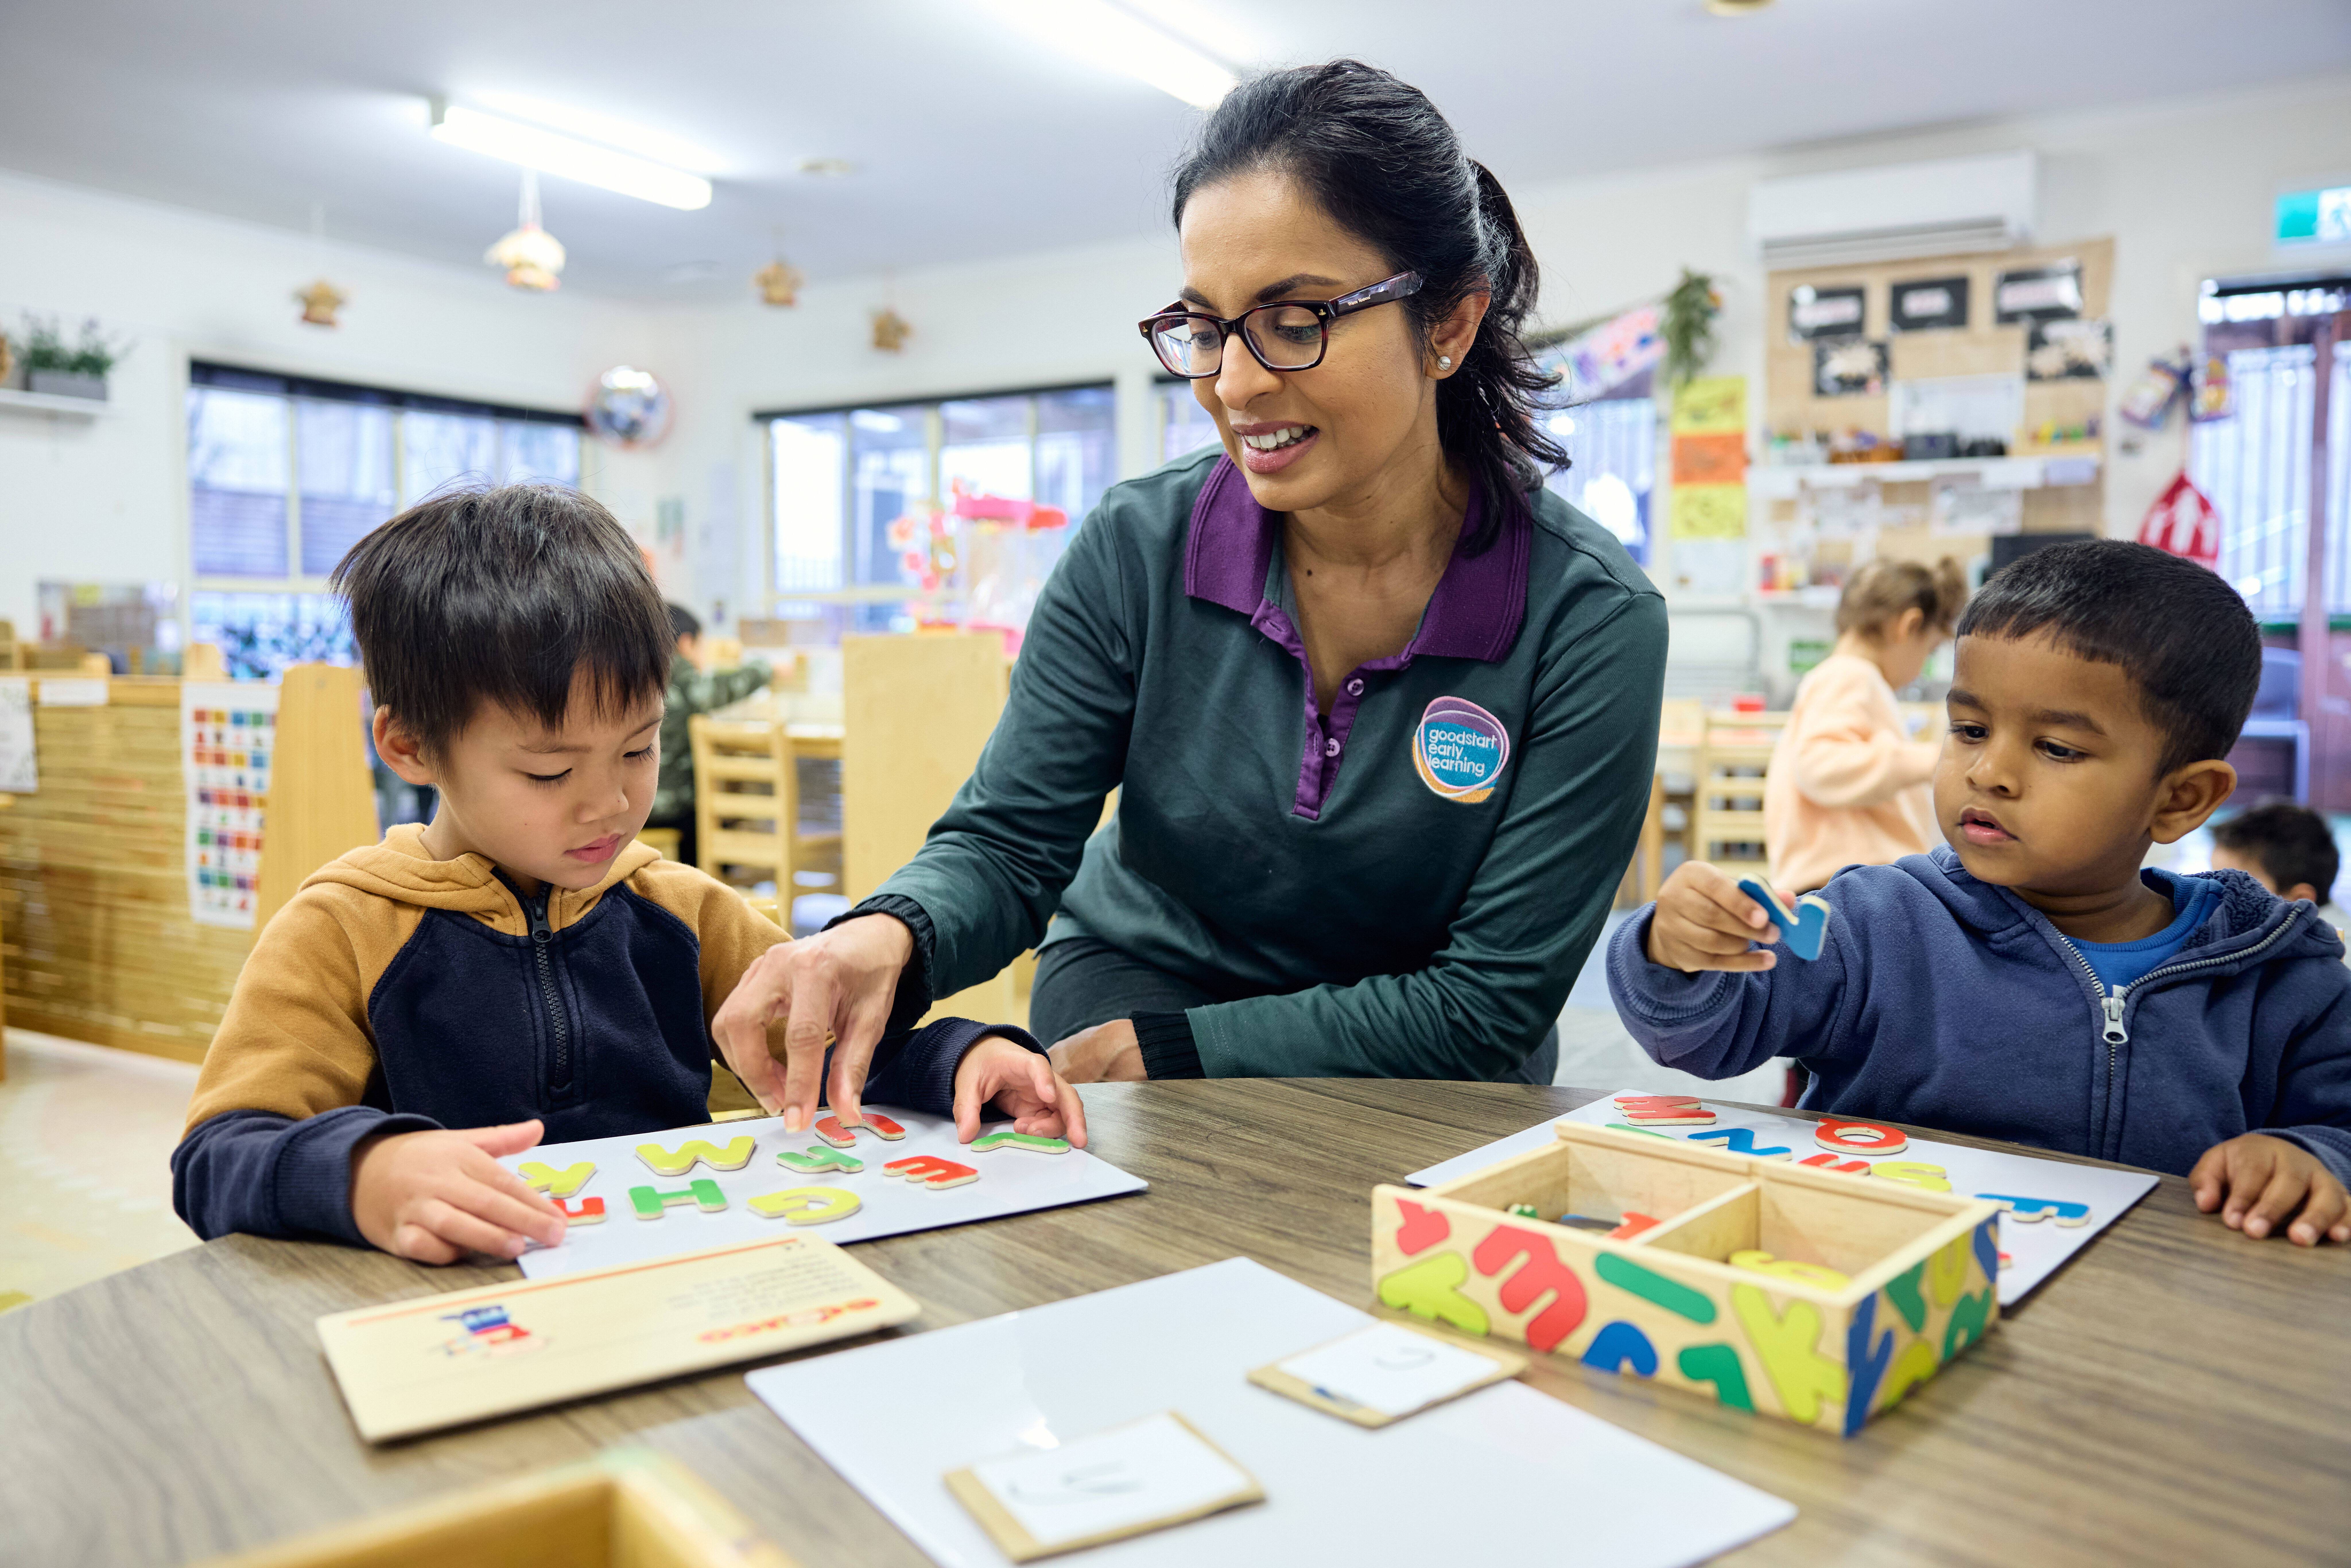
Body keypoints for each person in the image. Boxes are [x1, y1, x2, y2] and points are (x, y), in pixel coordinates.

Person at [709, 61, 1666, 1132]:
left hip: (1415, 1062)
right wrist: (880, 933)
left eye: (1295, 318)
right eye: (1206, 327)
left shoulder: (1586, 618)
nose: (1235, 383)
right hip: (1136, 987)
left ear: (1445, 323)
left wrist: (1183, 1049)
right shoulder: (1138, 546)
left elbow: (1484, 1004)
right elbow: (1010, 840)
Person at [171, 485, 1083, 1262]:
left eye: (638, 750)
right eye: (549, 772)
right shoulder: (344, 929)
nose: (608, 804)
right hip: (457, 1321)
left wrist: (967, 1056)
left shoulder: (681, 908)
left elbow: (833, 1049)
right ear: (410, 746)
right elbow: (218, 1157)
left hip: (674, 1285)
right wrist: (363, 1173)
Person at [1608, 540, 2351, 1247]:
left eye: (2057, 748)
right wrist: (1677, 952)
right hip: (1899, 1308)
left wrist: (2311, 1158)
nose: (1989, 771)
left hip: (2148, 1331)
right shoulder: (1878, 924)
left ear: (2182, 800)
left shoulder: (2279, 973)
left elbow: (2338, 1126)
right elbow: (1707, 1033)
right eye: (1969, 728)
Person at [1764, 558, 1966, 895]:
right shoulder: (1851, 676)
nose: (1920, 667)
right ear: (1907, 627)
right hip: (1846, 885)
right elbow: (1819, 766)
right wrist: (1929, 760)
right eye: (1929, 650)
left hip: (1846, 883)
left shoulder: (1844, 676)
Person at [646, 602, 772, 868]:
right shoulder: (675, 671)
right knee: (720, 822)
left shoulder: (638, 669)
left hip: (635, 805)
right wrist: (767, 669)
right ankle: (709, 888)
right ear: (686, 643)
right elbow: (716, 689)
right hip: (668, 808)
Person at [2210, 800, 2351, 964]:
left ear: (2299, 902)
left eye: (2238, 889)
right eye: (2216, 880)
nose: (2216, 898)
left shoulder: (2334, 965)